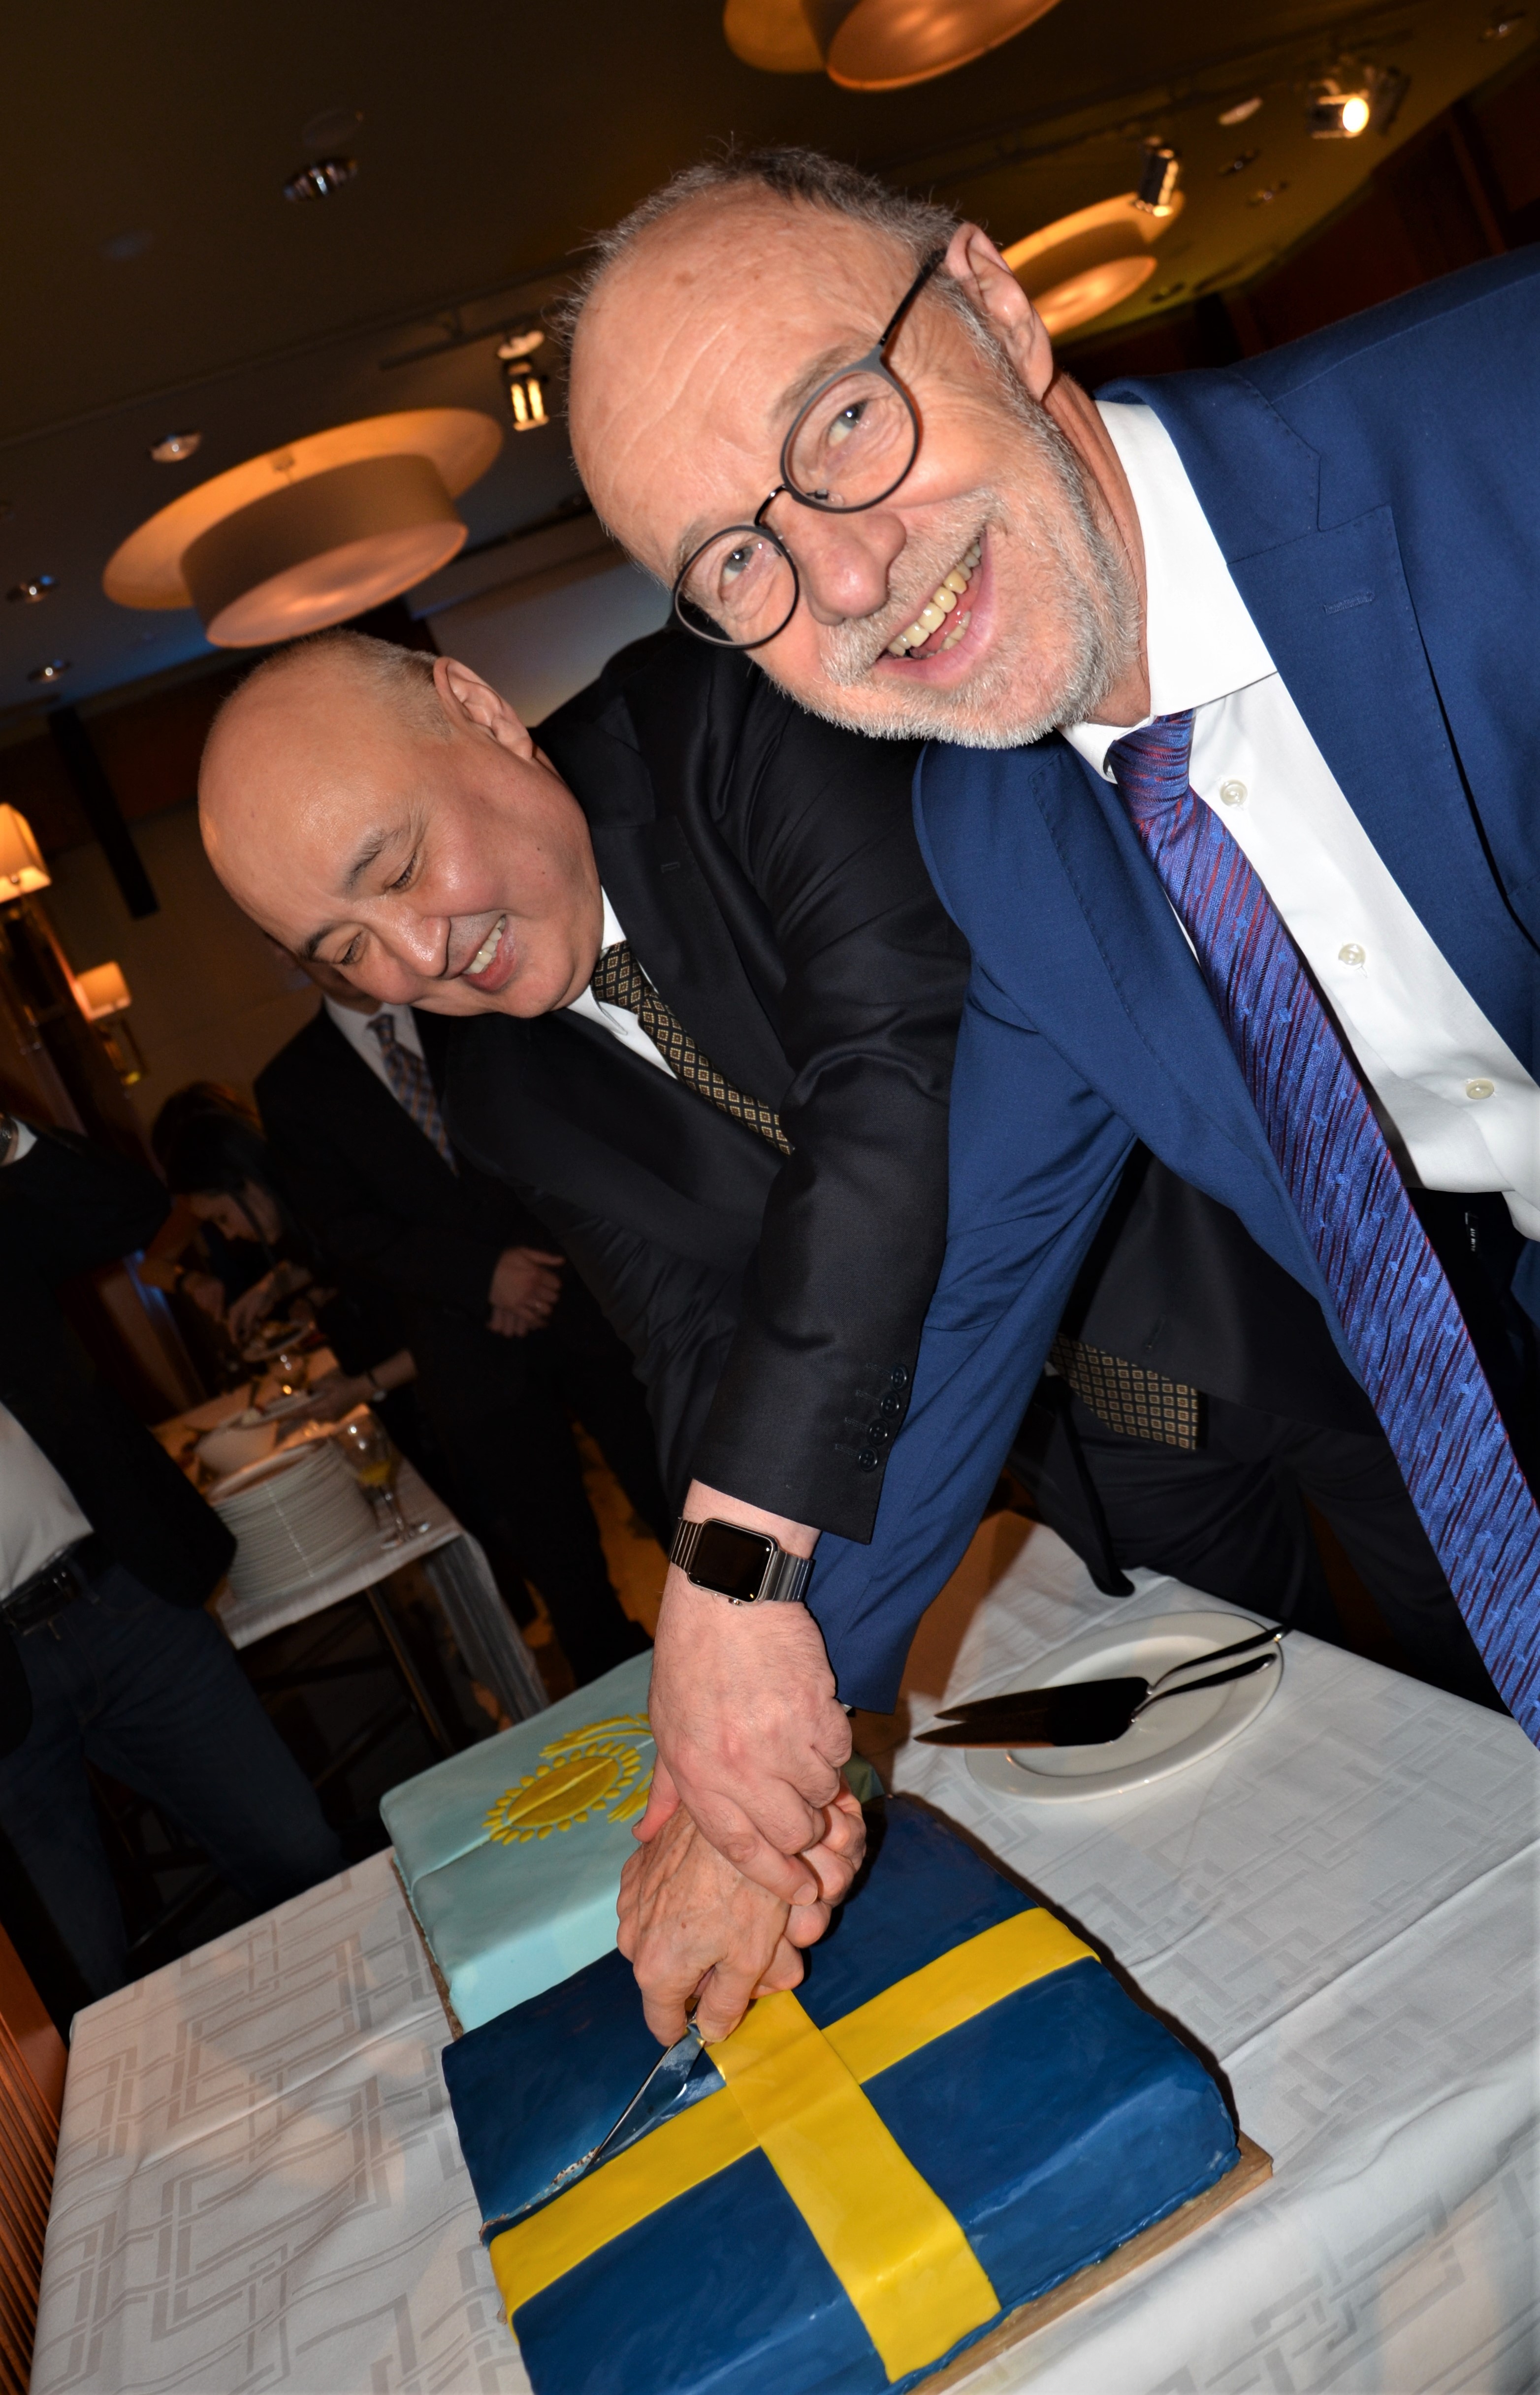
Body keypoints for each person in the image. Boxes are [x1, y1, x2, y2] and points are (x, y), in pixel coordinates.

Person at [544, 145, 1539, 2013]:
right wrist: (746, 1713)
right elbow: (962, 1284)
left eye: (842, 421)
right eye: (739, 563)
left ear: (997, 310)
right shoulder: (1002, 835)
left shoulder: (1505, 419)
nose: (849, 576)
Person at [195, 618, 974, 2030]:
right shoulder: (497, 1088)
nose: (413, 961)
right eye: (344, 952)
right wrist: (735, 1739)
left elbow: (893, 1103)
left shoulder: (735, 713)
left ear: (480, 712)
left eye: (398, 868)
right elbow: (689, 1343)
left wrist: (734, 1602)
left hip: (1230, 1303)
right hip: (1025, 1470)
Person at [254, 947, 673, 1688]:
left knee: (683, 1497)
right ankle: (635, 1726)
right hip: (464, 1346)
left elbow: (556, 1128)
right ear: (285, 951)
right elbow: (347, 1231)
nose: (337, 960)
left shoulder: (465, 1001)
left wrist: (529, 1263)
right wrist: (483, 1279)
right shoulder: (291, 1084)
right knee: (568, 1576)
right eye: (312, 947)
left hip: (578, 1290)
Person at [0, 1109, 345, 1998]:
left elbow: (127, 1213)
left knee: (299, 1852)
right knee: (71, 1990)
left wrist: (5, 1137)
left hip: (119, 1595)